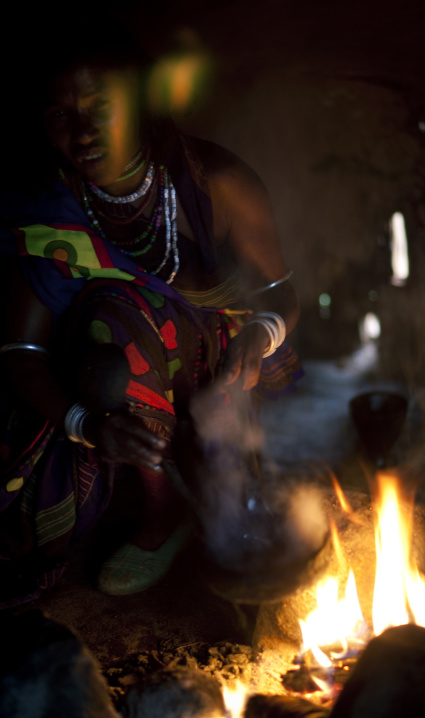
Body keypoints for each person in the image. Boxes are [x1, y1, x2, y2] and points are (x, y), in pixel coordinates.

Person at [0, 18, 301, 603]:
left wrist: (258, 339)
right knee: (26, 501)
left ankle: (216, 482)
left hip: (208, 358)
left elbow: (279, 293)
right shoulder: (45, 207)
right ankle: (160, 508)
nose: (83, 131)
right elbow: (22, 352)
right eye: (61, 115)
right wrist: (91, 426)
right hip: (103, 370)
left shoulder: (218, 182)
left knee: (123, 315)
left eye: (100, 105)